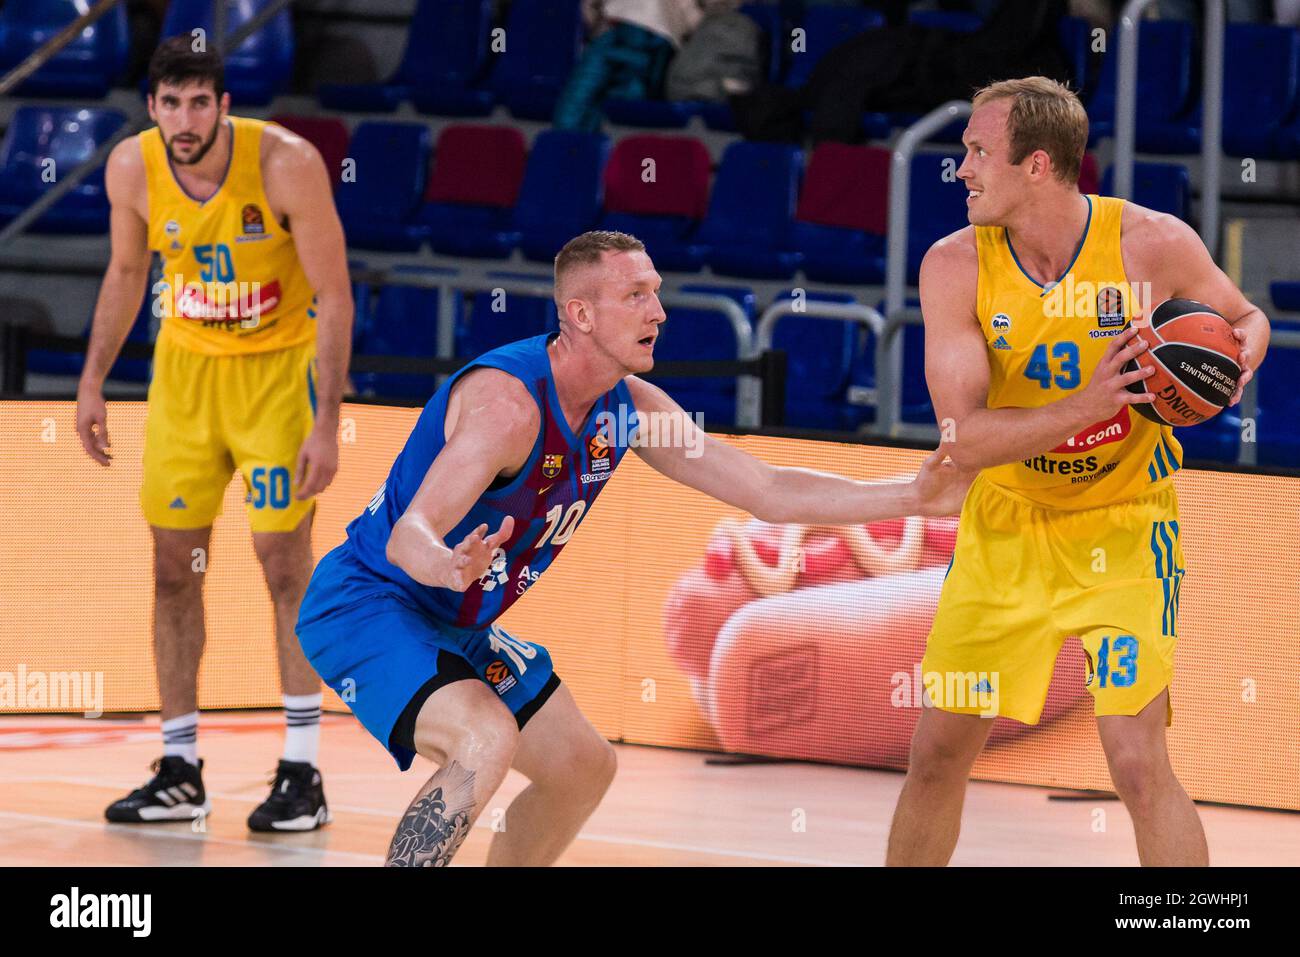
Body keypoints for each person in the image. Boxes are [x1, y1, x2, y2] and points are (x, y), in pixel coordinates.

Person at [295, 230, 973, 866]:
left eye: (655, 290)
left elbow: (766, 489)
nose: (659, 311)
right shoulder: (508, 407)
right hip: (369, 602)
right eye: (635, 296)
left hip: (453, 621)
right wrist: (444, 562)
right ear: (581, 315)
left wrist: (913, 496)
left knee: (581, 767)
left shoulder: (632, 410)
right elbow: (413, 531)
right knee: (484, 738)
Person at [886, 76, 1269, 866]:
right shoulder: (954, 265)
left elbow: (1245, 317)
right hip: (1005, 531)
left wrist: (1226, 370)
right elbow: (964, 440)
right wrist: (1089, 403)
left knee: (1136, 761)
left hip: (1126, 525)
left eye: (978, 152)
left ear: (1037, 166)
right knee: (937, 753)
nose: (962, 169)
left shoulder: (1151, 243)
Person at [75, 37, 353, 831]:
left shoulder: (288, 164)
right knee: (170, 569)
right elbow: (128, 274)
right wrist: (93, 381)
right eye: (172, 103)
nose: (186, 118)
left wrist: (327, 423)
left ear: (225, 106)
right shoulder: (132, 169)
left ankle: (303, 769)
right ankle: (179, 767)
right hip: (185, 383)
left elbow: (334, 297)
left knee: (283, 565)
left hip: (274, 382)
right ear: (153, 108)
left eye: (201, 102)